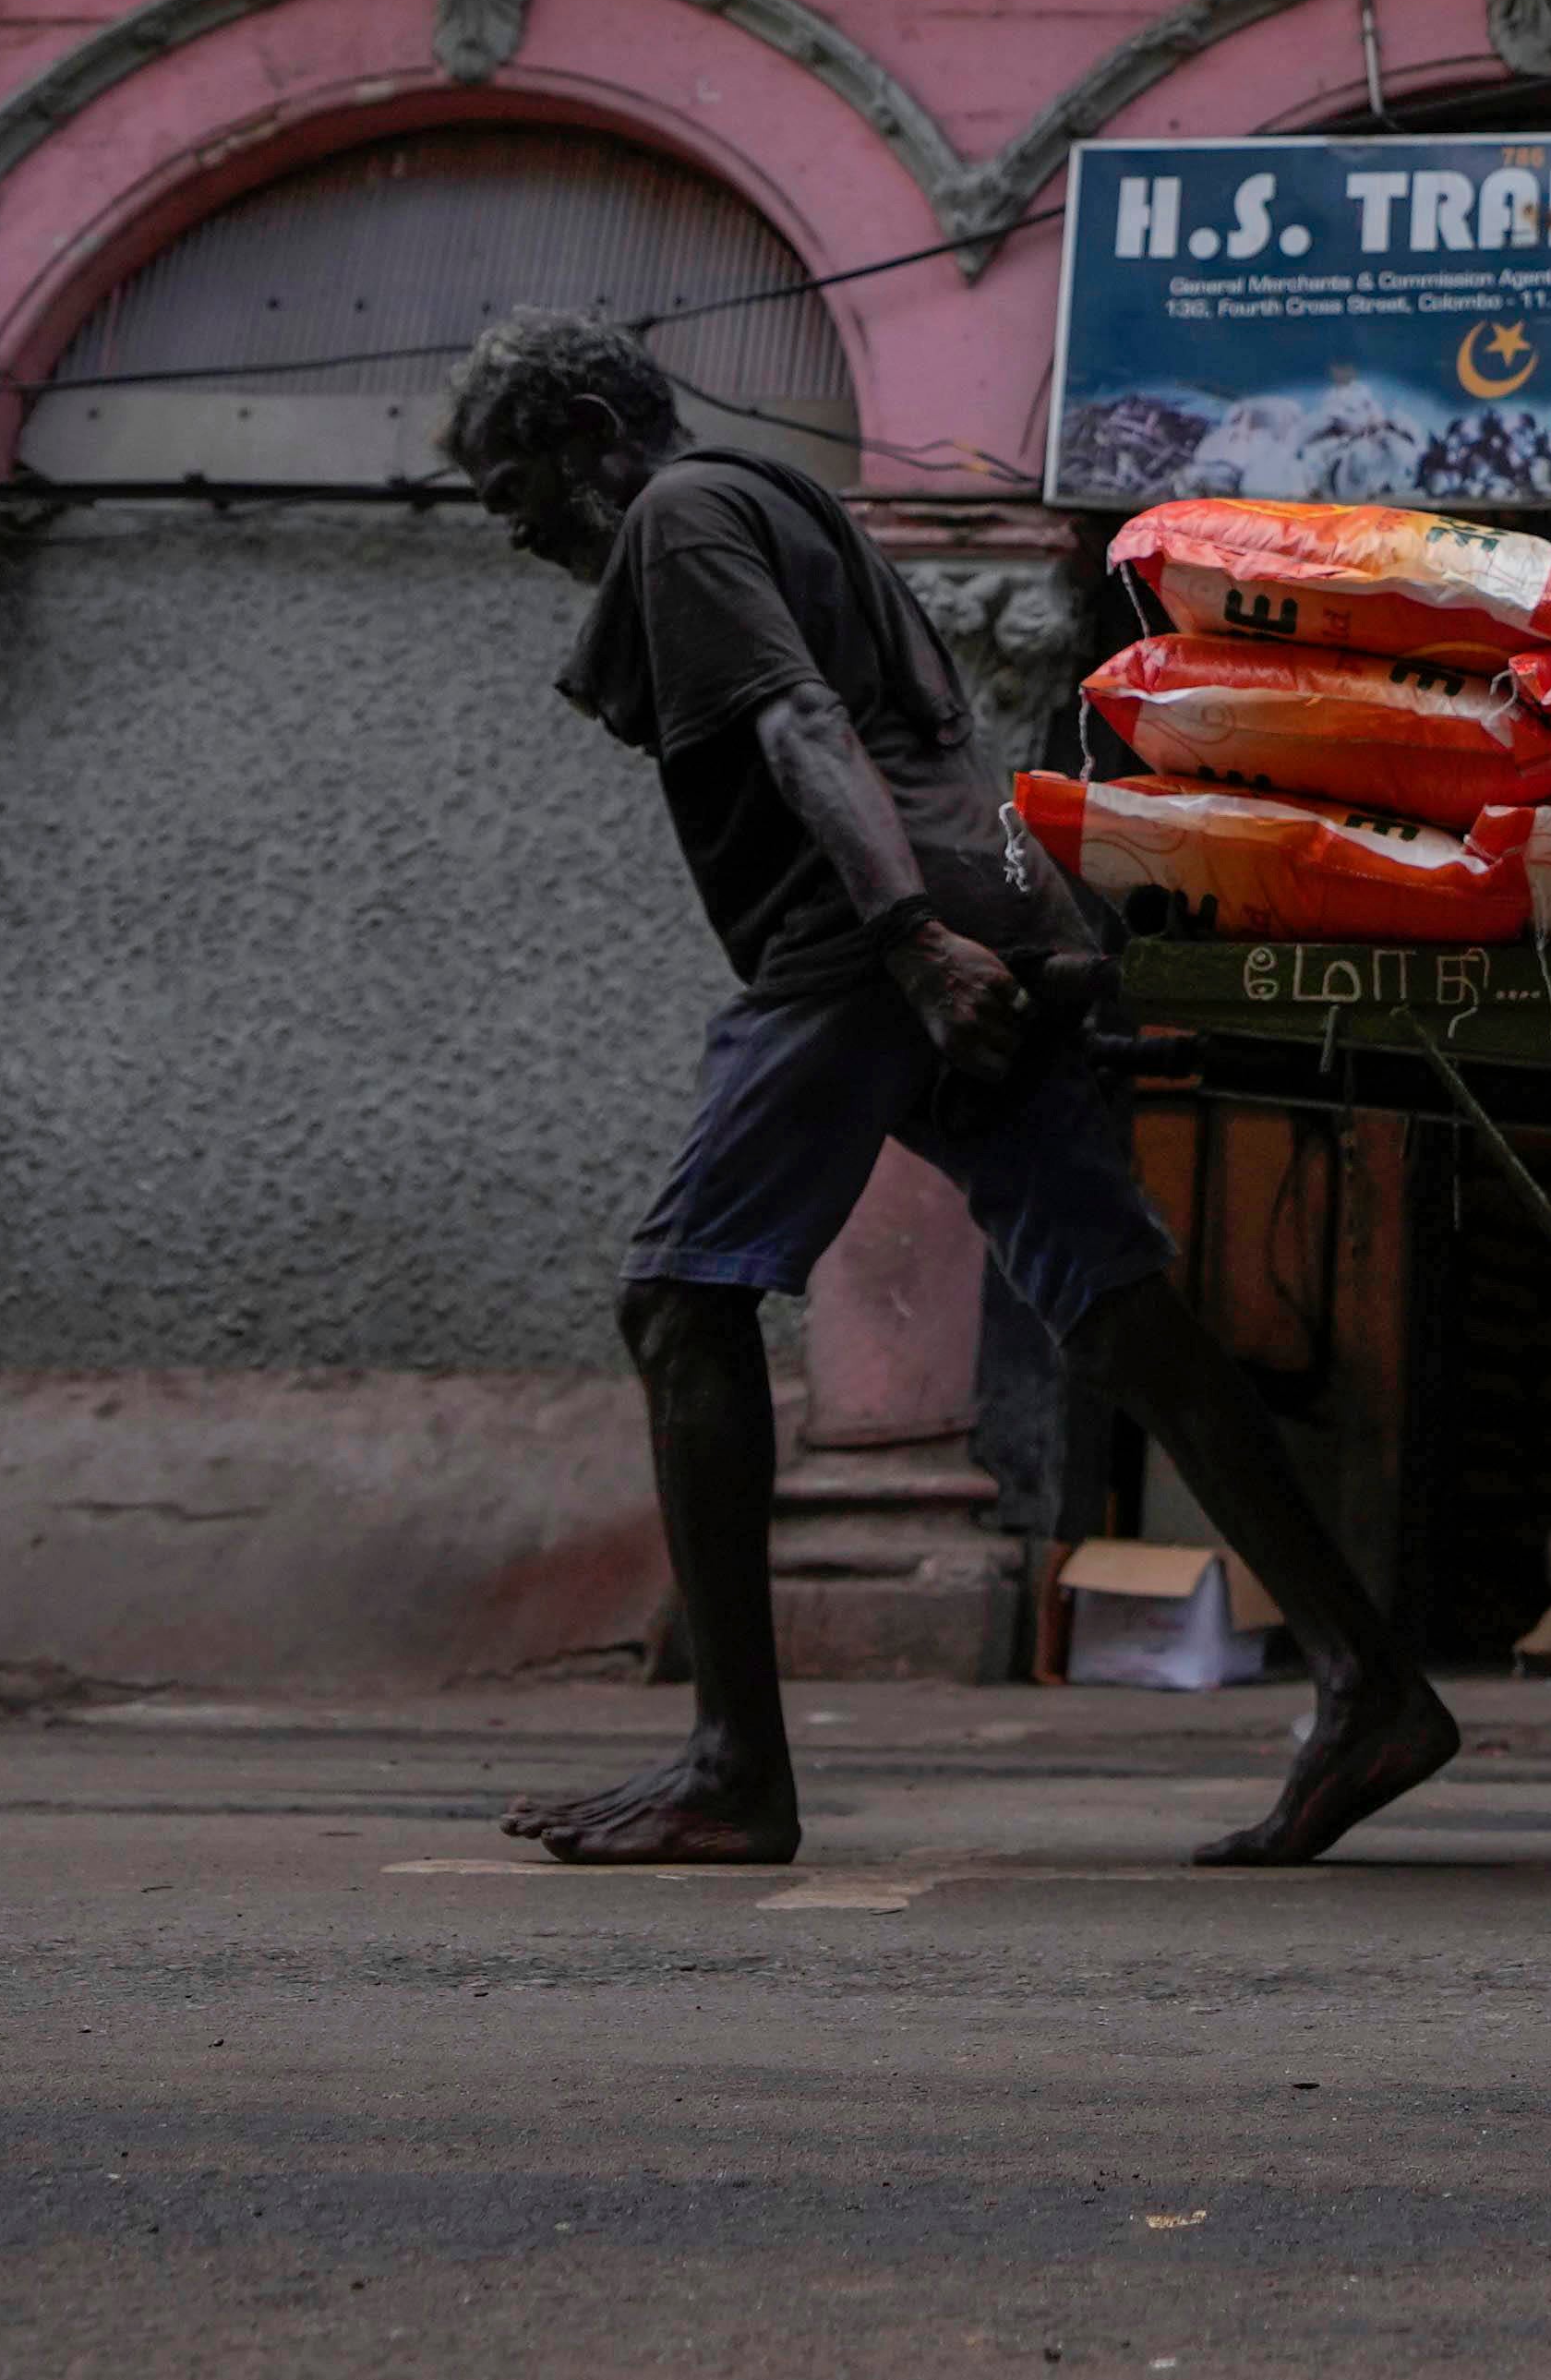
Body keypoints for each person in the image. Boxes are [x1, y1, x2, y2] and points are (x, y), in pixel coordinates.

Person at [435, 311, 1454, 1869]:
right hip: (987, 902)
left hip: (860, 939)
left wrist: (908, 939)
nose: (512, 524)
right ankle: (1368, 1679)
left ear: (589, 427)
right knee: (1112, 1307)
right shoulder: (787, 496)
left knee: (680, 1298)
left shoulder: (680, 511)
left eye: (517, 480)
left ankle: (732, 1765)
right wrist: (988, 924)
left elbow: (800, 721)